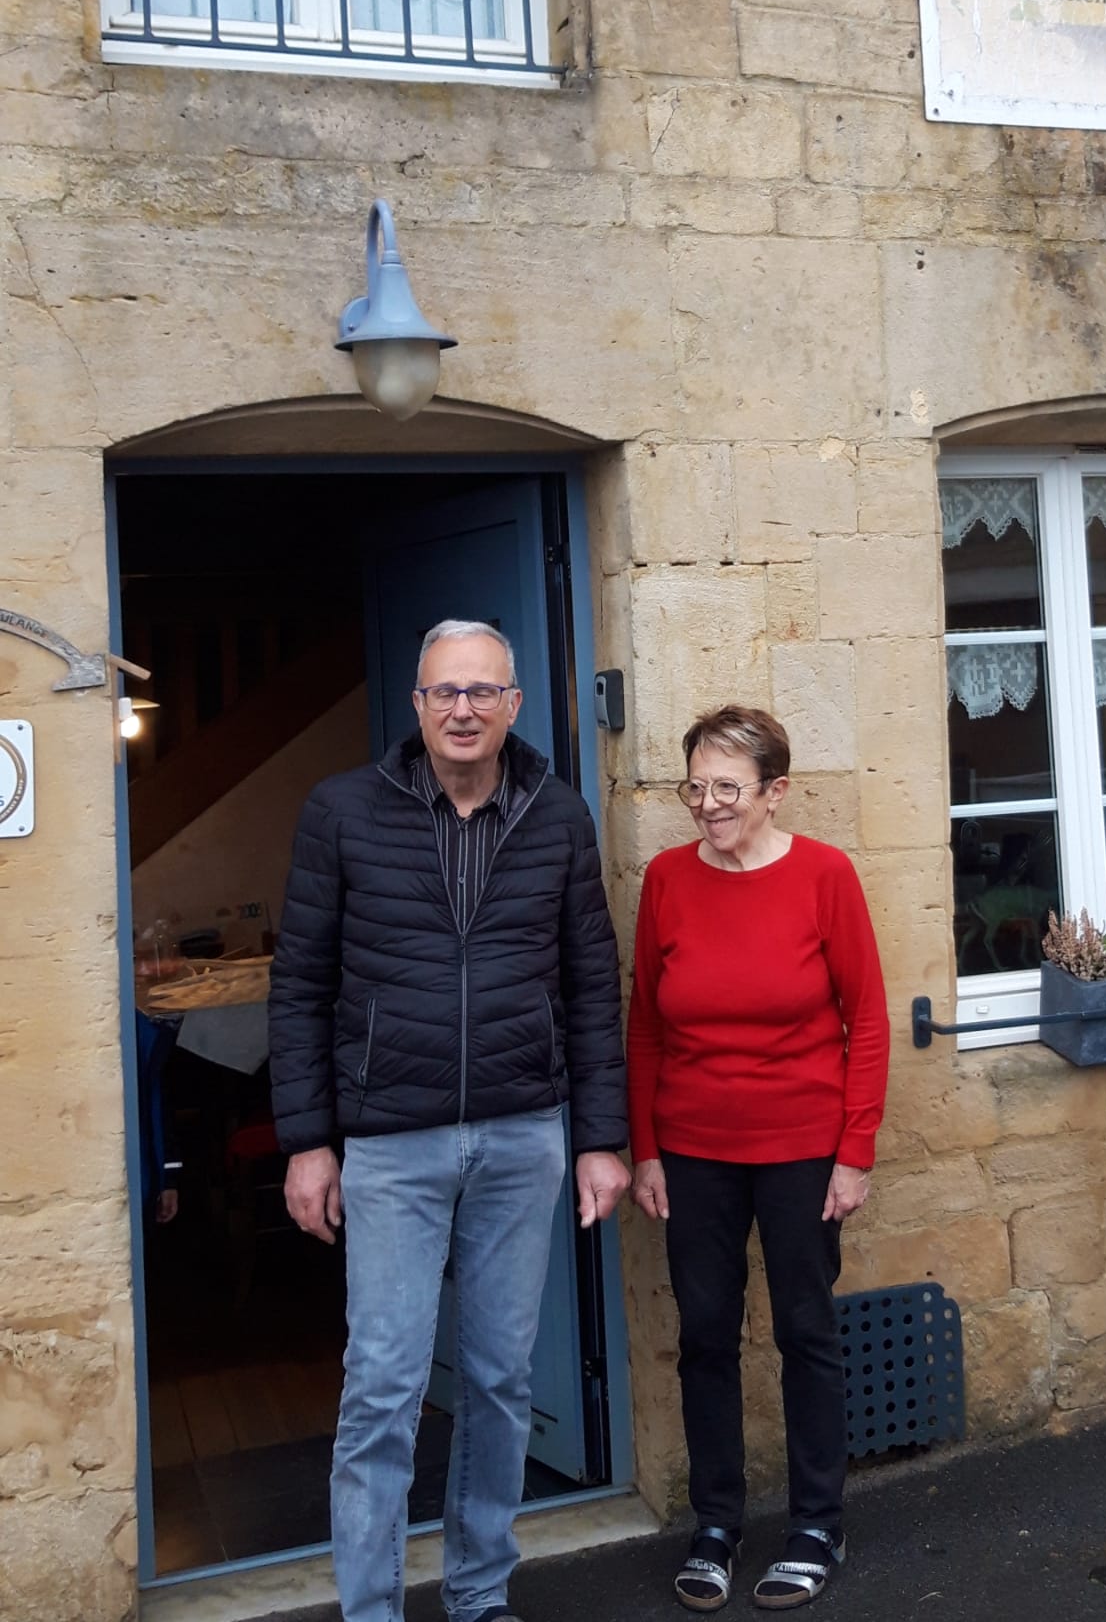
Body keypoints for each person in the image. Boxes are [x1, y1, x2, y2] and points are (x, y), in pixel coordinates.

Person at [269, 619, 629, 1622]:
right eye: (443, 692)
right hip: (391, 1140)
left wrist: (601, 1136)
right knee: (382, 1385)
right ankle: (373, 1607)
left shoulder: (558, 815)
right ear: (417, 705)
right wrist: (307, 1139)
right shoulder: (342, 810)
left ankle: (478, 1592)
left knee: (501, 1378)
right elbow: (297, 985)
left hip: (523, 1135)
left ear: (514, 702)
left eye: (482, 690)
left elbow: (592, 984)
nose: (463, 708)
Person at [627, 706, 889, 1612]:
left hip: (801, 1151)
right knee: (704, 1338)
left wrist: (853, 1152)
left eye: (727, 789)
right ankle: (716, 1524)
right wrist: (647, 1147)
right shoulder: (665, 880)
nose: (708, 806)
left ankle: (818, 1523)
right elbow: (647, 1028)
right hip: (693, 1150)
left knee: (806, 1334)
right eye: (695, 788)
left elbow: (869, 1022)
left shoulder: (825, 876)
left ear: (777, 791)